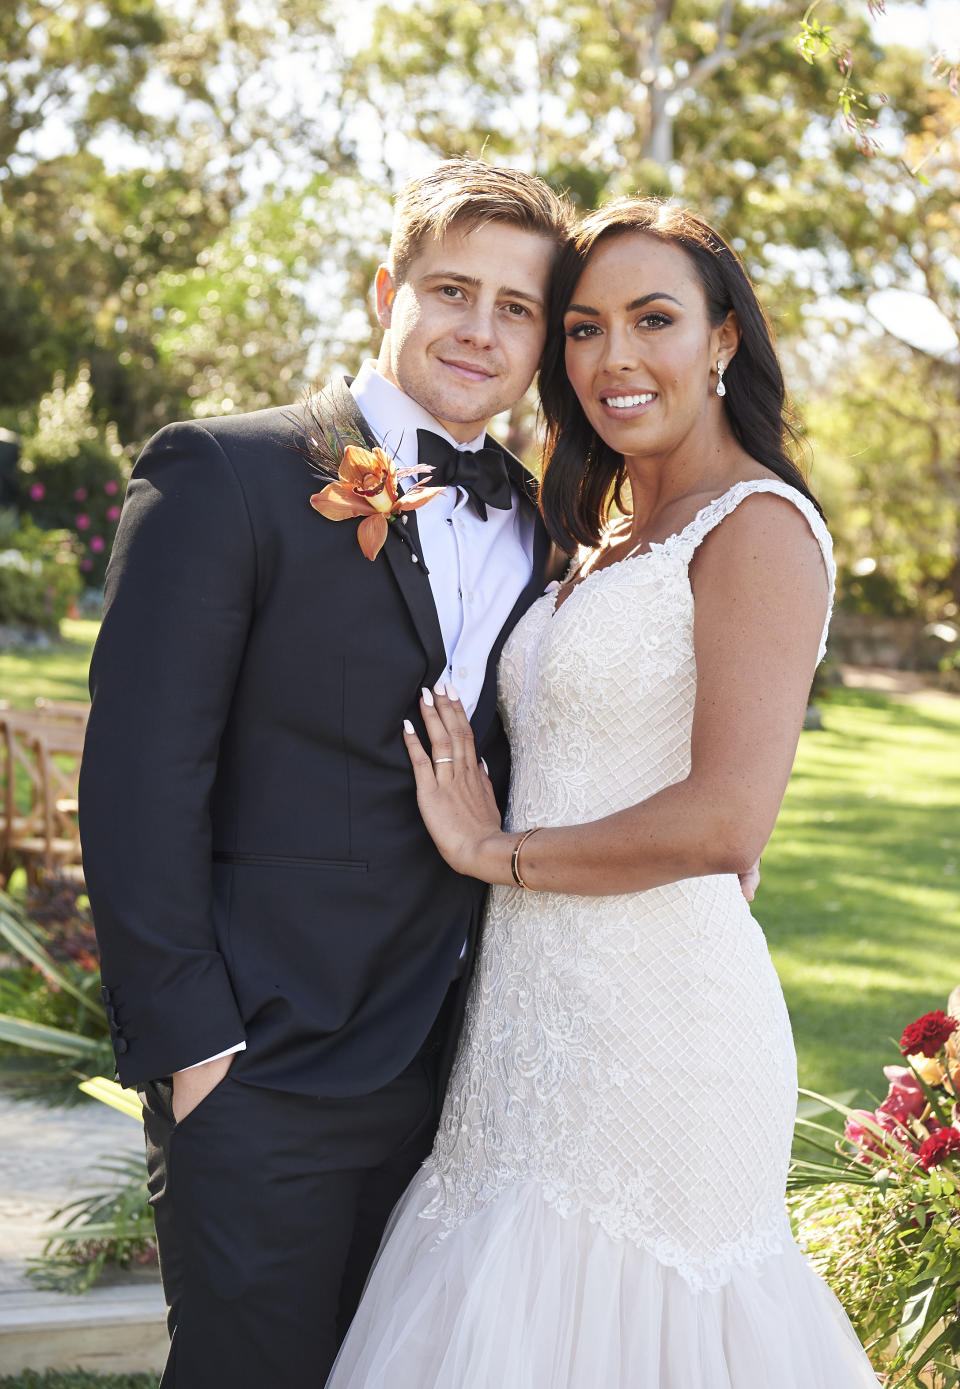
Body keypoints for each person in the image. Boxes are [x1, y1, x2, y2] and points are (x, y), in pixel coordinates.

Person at [324, 200, 880, 1387]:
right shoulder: (596, 535)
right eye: (582, 328)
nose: (614, 359)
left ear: (725, 338)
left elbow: (728, 818)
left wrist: (494, 853)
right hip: (525, 1032)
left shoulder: (760, 529)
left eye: (655, 319)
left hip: (662, 1037)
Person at [77, 159, 574, 1387]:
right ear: (382, 291)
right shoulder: (226, 474)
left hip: (466, 1085)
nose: (480, 328)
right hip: (267, 1076)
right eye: (452, 289)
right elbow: (139, 783)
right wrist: (196, 1051)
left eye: (517, 307)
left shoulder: (548, 528)